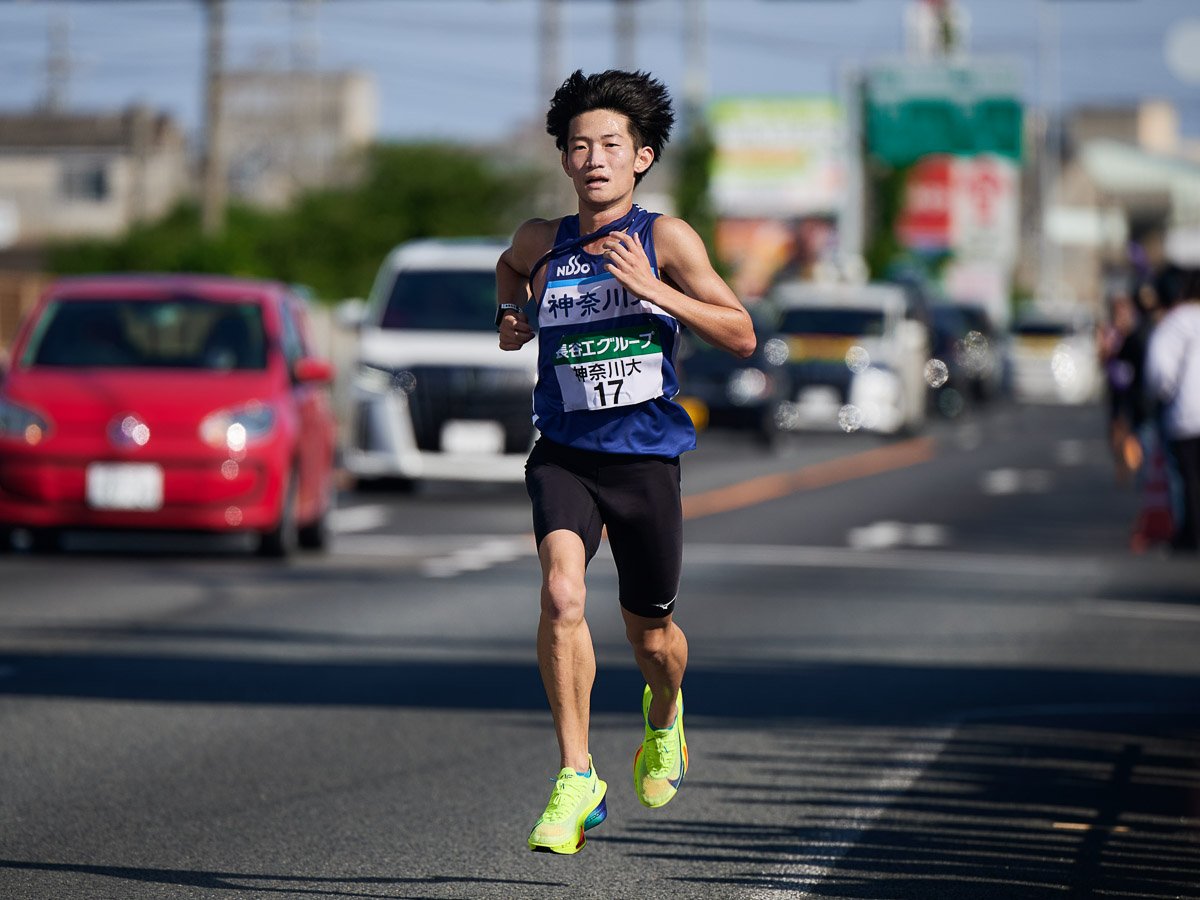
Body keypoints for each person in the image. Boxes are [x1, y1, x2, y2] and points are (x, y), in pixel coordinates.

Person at [495, 69, 755, 855]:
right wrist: (511, 315)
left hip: (645, 461)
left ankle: (666, 713)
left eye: (611, 145)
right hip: (565, 454)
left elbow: (740, 332)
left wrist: (657, 290)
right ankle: (578, 775)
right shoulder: (544, 240)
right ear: (566, 162)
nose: (594, 159)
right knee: (562, 595)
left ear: (641, 157)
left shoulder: (665, 239)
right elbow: (510, 272)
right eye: (580, 146)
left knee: (654, 641)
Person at [1145, 265, 1200, 552]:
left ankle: (1191, 532)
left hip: (1186, 413)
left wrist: (1163, 394)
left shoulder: (1175, 323)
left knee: (1188, 478)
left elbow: (1159, 371)